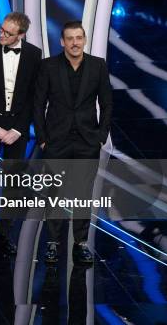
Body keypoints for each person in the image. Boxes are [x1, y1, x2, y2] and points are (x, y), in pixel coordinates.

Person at [33, 20, 112, 264]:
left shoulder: (98, 66)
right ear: (62, 41)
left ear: (85, 39)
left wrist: (100, 137)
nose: (75, 43)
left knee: (83, 194)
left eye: (79, 38)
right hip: (56, 141)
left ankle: (81, 243)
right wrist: (43, 139)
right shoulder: (48, 66)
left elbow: (107, 103)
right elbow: (38, 104)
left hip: (87, 141)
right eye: (70, 38)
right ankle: (54, 243)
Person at [0, 12, 42, 257]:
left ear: (21, 35)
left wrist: (19, 129)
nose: (1, 34)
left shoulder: (34, 54)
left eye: (7, 33)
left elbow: (35, 95)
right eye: (1, 30)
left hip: (17, 129)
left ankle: (3, 234)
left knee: (13, 185)